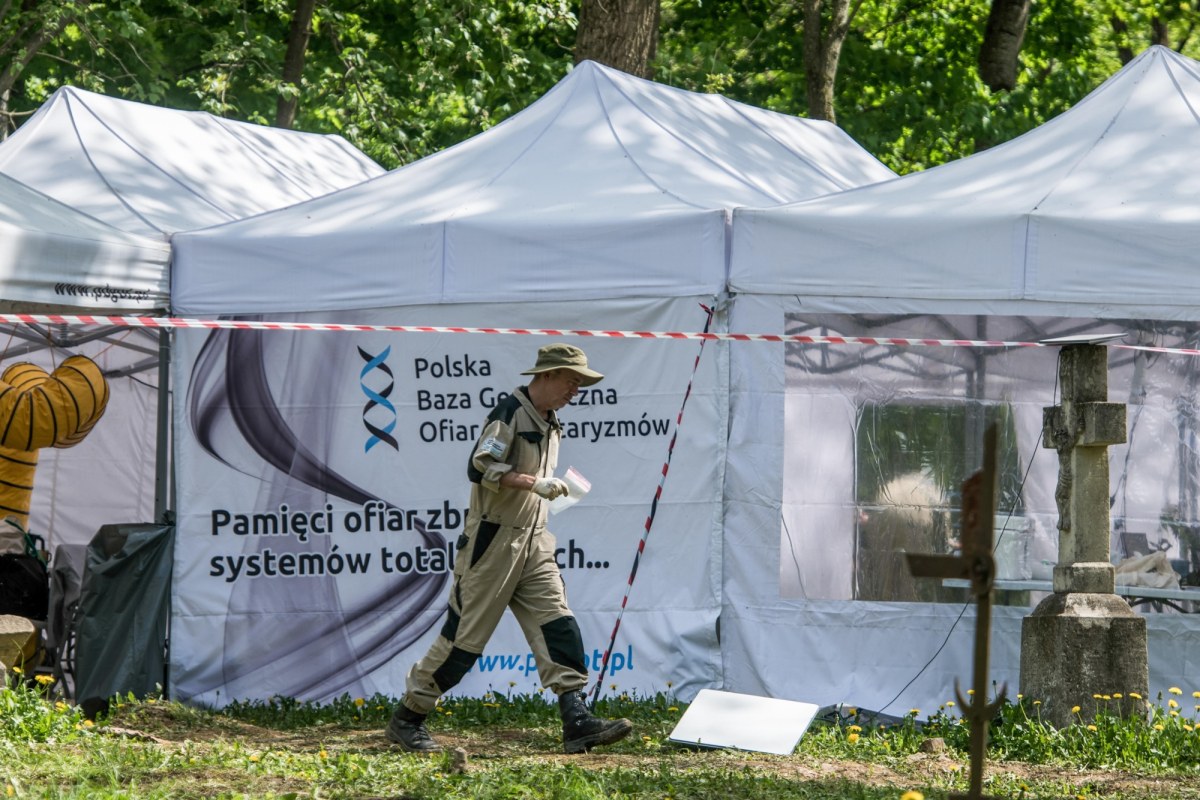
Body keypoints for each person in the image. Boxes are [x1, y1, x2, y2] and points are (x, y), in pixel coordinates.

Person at [386, 343, 633, 754]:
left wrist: (550, 492)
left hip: (534, 539)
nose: (576, 389)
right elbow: (479, 466)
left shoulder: (551, 419)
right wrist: (532, 482)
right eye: (572, 380)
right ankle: (408, 718)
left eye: (580, 383)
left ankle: (577, 719)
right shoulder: (510, 413)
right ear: (547, 375)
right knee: (463, 641)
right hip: (493, 542)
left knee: (558, 623)